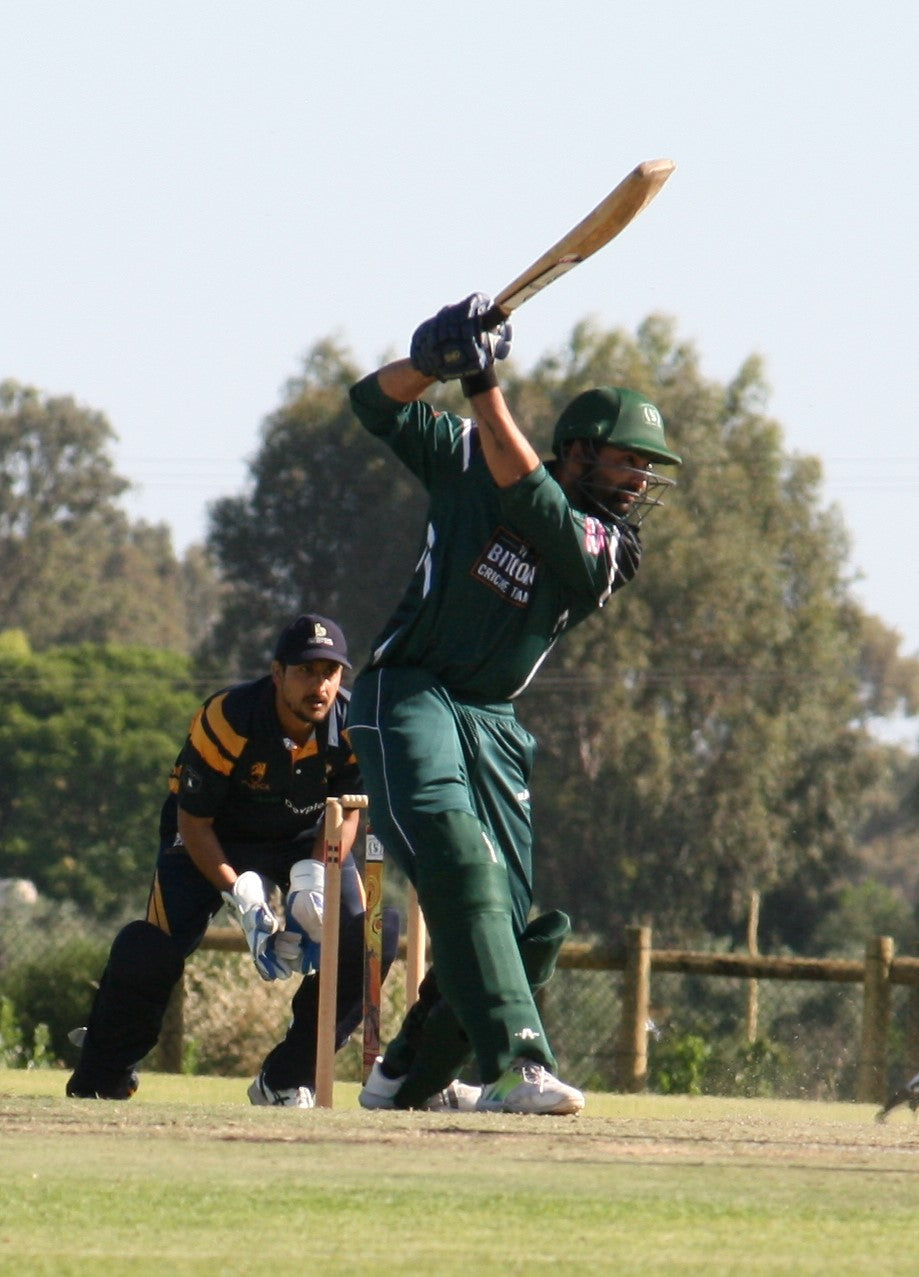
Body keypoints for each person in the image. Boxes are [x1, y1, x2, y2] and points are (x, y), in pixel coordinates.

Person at [346, 292, 681, 1115]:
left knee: (519, 929)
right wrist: (430, 360)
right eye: (626, 462)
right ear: (578, 451)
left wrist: (480, 375)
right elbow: (373, 404)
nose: (638, 482)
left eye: (645, 469)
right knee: (461, 860)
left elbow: (532, 500)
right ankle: (518, 1065)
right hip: (410, 689)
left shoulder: (610, 548)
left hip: (493, 722)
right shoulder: (466, 455)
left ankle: (405, 1080)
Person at [66, 612, 402, 1108]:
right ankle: (104, 1074)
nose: (320, 685)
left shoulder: (353, 725)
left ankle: (286, 1077)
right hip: (214, 835)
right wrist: (239, 893)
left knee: (372, 938)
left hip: (306, 838)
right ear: (277, 672)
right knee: (149, 949)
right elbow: (193, 823)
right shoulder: (228, 718)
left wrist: (315, 872)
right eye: (307, 671)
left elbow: (349, 811)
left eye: (330, 673)